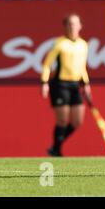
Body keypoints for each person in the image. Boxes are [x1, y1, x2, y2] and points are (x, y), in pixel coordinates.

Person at [41, 14, 92, 157]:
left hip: (75, 85)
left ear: (80, 26)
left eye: (75, 24)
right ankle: (56, 150)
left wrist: (86, 84)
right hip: (60, 84)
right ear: (65, 26)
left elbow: (82, 67)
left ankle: (55, 146)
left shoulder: (83, 45)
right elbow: (47, 64)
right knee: (62, 120)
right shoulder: (59, 43)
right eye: (69, 24)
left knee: (77, 121)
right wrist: (44, 83)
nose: (72, 27)